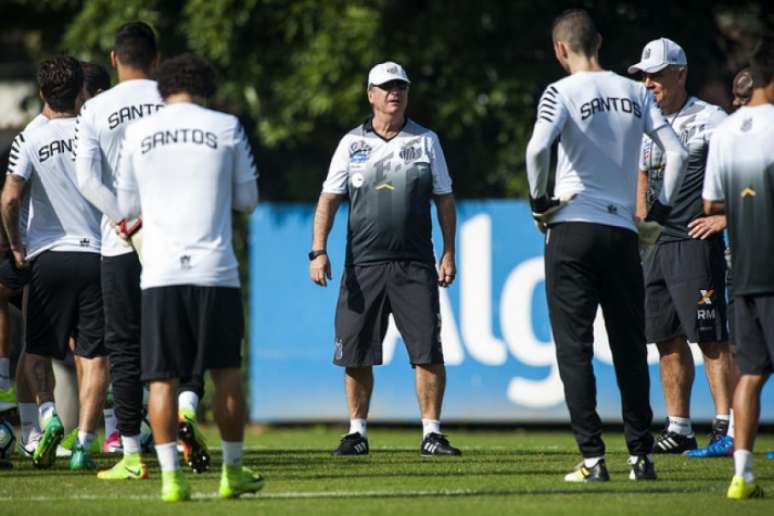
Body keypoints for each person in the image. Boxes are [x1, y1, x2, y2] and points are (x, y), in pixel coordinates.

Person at [525, 9, 688, 482]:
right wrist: (658, 212)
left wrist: (540, 202)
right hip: (622, 232)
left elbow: (537, 149)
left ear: (560, 50)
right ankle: (642, 456)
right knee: (630, 346)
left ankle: (594, 460)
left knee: (574, 348)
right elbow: (675, 152)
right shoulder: (637, 91)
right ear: (599, 40)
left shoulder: (560, 91)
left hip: (573, 226)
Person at [116, 53, 262, 502]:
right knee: (226, 372)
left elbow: (124, 208)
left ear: (164, 90)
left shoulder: (137, 133)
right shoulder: (227, 127)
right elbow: (248, 200)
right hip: (215, 271)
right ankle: (231, 471)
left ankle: (170, 479)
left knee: (160, 379)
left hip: (158, 273)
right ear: (205, 88)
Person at [74, 21, 207, 480]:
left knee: (125, 348)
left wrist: (125, 218)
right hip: (174, 237)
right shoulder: (175, 102)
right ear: (157, 58)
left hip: (118, 244)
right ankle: (185, 408)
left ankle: (131, 453)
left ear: (113, 59)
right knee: (185, 334)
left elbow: (86, 180)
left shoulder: (95, 108)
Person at [310, 61, 459, 457]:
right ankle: (357, 432)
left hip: (415, 264)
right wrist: (318, 251)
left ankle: (432, 433)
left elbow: (444, 198)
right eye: (386, 87)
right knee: (356, 351)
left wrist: (448, 251)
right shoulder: (350, 144)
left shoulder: (427, 140)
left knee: (427, 349)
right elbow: (329, 199)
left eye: (400, 87)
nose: (394, 93)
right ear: (371, 94)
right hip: (363, 265)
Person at [1, 55, 109, 471]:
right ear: (79, 89)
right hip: (96, 255)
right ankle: (83, 441)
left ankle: (47, 418)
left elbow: (10, 197)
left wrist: (15, 245)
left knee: (37, 351)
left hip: (47, 257)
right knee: (95, 355)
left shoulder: (30, 137)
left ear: (43, 92)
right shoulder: (91, 131)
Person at [628, 38, 735, 455]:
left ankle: (725, 426)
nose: (649, 82)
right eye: (644, 75)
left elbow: (753, 168)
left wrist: (727, 218)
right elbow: (641, 175)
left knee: (710, 337)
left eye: (656, 74)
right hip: (655, 246)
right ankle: (680, 427)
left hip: (695, 243)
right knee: (666, 339)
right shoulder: (643, 121)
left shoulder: (712, 120)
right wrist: (640, 227)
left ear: (681, 73)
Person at [702, 35, 774, 499]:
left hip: (744, 270)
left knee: (751, 373)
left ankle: (741, 476)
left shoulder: (725, 131)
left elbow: (711, 200)